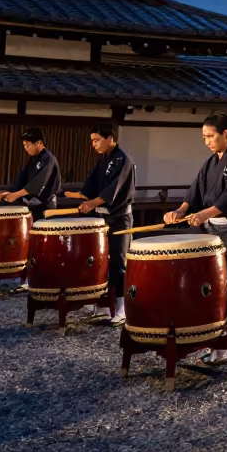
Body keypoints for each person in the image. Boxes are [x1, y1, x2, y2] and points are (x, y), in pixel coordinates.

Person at [164, 114, 227, 377]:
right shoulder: (209, 163)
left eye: (210, 136)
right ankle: (217, 347)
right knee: (211, 289)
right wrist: (180, 211)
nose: (206, 141)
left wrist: (204, 214)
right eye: (203, 136)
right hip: (210, 234)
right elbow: (194, 194)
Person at [64, 121, 136, 325]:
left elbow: (112, 190)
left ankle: (123, 309)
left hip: (120, 218)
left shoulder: (123, 159)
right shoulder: (104, 159)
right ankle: (103, 304)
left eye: (97, 140)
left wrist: (91, 203)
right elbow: (92, 185)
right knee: (100, 260)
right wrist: (80, 196)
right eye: (92, 141)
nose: (93, 144)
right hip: (103, 217)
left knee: (119, 262)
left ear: (110, 138)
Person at [0, 127, 61, 222]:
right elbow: (22, 178)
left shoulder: (48, 159)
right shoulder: (33, 159)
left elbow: (38, 182)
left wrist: (16, 194)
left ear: (39, 143)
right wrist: (7, 191)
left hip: (45, 205)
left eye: (28, 146)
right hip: (32, 204)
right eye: (24, 146)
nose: (26, 149)